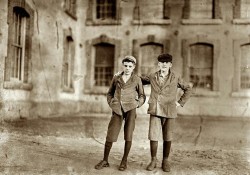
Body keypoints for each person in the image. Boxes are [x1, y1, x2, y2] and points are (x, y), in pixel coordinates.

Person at [140, 53, 192, 172]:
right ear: (158, 64)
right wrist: (126, 74)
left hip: (169, 110)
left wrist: (179, 102)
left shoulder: (175, 77)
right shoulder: (153, 76)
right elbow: (139, 80)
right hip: (155, 109)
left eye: (166, 63)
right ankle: (153, 160)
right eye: (161, 63)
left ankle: (165, 160)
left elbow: (188, 88)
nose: (164, 65)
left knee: (168, 136)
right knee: (153, 135)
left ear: (170, 65)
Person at [94, 55, 146, 171]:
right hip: (117, 109)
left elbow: (142, 95)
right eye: (126, 66)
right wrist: (112, 103)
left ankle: (124, 160)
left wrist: (137, 104)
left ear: (134, 67)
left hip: (130, 110)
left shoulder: (137, 79)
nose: (127, 68)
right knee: (111, 134)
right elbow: (109, 93)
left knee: (128, 134)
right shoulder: (117, 77)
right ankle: (105, 160)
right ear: (123, 66)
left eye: (130, 66)